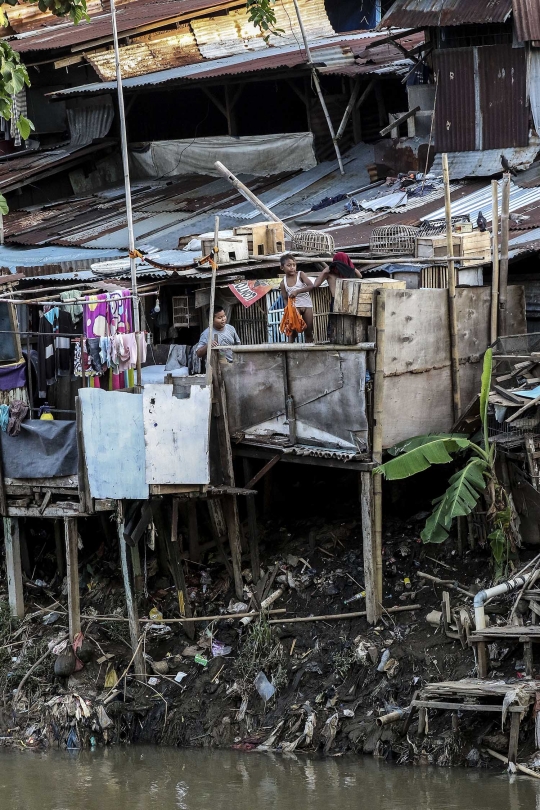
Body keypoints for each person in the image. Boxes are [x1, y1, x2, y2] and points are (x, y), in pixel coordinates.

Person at [280, 253, 314, 343]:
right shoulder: (283, 283)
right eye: (289, 265)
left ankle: (309, 354)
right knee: (292, 333)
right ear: (282, 267)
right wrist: (288, 310)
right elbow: (284, 297)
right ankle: (290, 353)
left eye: (294, 265)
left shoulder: (300, 274)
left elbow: (311, 286)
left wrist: (297, 291)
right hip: (294, 308)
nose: (292, 267)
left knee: (309, 332)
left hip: (307, 305)